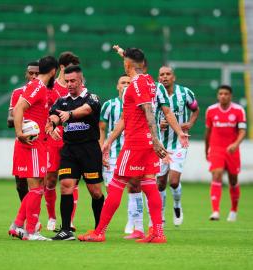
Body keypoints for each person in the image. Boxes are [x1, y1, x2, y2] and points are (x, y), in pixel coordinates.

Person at [78, 48, 171, 243]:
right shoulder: (147, 80)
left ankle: (99, 232)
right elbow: (125, 117)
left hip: (136, 143)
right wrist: (110, 141)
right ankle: (158, 233)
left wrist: (156, 140)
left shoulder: (135, 85)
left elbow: (147, 109)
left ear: (127, 64)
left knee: (116, 184)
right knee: (149, 184)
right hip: (145, 142)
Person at [46, 65, 105, 241]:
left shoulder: (91, 97)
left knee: (95, 191)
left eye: (73, 81)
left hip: (89, 149)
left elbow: (86, 109)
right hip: (70, 150)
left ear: (81, 80)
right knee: (65, 185)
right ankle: (65, 230)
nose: (70, 84)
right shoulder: (61, 101)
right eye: (67, 81)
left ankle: (99, 229)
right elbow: (55, 116)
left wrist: (69, 115)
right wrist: (52, 124)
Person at [8, 56, 59, 241]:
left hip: (38, 142)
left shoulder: (40, 88)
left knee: (36, 187)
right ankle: (31, 231)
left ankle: (17, 225)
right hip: (32, 144)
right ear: (53, 71)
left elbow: (34, 113)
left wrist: (49, 127)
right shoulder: (37, 87)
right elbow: (19, 108)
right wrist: (20, 132)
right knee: (37, 187)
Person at [156, 66, 199, 226]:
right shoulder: (154, 94)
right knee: (160, 183)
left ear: (173, 77)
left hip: (179, 144)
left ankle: (177, 205)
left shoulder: (185, 93)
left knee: (173, 181)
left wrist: (190, 123)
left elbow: (196, 109)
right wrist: (157, 124)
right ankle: (160, 214)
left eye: (168, 74)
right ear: (158, 77)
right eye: (162, 74)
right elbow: (149, 114)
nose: (165, 77)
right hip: (161, 144)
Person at [45, 51, 81, 231]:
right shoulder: (50, 89)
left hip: (72, 140)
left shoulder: (78, 88)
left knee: (71, 180)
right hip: (52, 141)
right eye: (69, 68)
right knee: (50, 180)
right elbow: (45, 115)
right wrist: (50, 129)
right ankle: (51, 217)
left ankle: (70, 220)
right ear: (61, 68)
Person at [205, 85, 246, 221]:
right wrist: (207, 149)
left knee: (233, 180)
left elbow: (242, 131)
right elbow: (208, 132)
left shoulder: (238, 110)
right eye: (221, 93)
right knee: (216, 175)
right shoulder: (211, 110)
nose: (223, 96)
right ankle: (215, 211)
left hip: (232, 150)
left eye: (226, 94)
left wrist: (235, 144)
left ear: (231, 96)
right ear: (218, 95)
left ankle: (233, 210)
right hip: (216, 148)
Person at [8, 61, 39, 202]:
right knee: (20, 184)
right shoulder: (18, 93)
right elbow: (10, 119)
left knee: (39, 183)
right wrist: (24, 124)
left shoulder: (45, 92)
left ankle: (34, 217)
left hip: (39, 142)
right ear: (26, 74)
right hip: (21, 140)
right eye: (30, 73)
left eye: (36, 74)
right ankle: (27, 214)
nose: (33, 76)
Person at [99, 74, 130, 188]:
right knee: (111, 189)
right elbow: (101, 129)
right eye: (123, 83)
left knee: (135, 188)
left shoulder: (138, 105)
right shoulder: (109, 105)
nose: (126, 85)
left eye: (129, 83)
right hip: (112, 153)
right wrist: (101, 151)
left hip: (132, 152)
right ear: (118, 86)